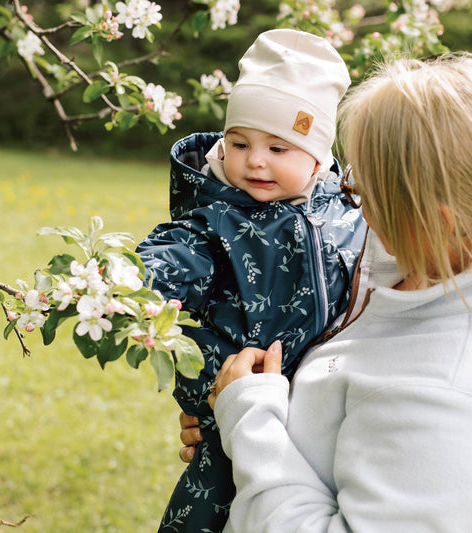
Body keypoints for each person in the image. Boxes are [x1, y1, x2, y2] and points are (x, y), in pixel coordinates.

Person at [203, 53, 472, 532]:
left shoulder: (451, 399)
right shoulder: (420, 269)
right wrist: (249, 410)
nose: (356, 209)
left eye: (363, 192)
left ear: (438, 220)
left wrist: (250, 423)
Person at [136, 29, 367, 532]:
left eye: (279, 147)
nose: (255, 160)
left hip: (329, 415)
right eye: (239, 143)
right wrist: (127, 286)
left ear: (319, 157)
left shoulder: (352, 211)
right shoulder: (217, 222)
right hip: (242, 403)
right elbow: (170, 258)